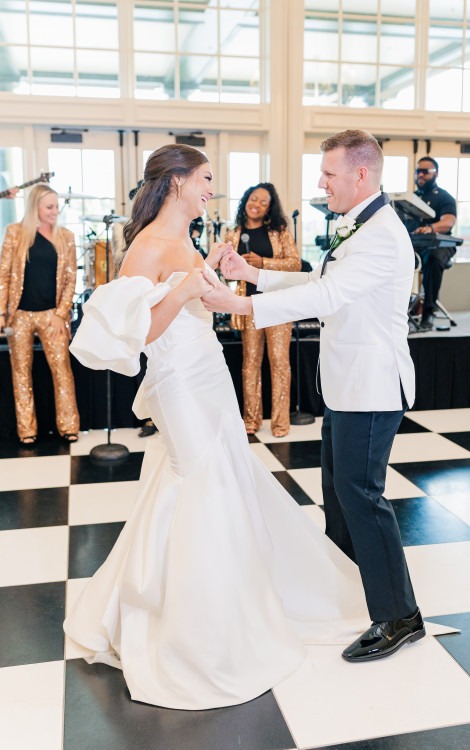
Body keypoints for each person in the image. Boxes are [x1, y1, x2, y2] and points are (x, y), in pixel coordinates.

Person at [64, 143, 373, 711]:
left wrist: (223, 279)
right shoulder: (147, 246)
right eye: (205, 177)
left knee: (221, 476)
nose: (212, 186)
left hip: (207, 371)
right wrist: (185, 290)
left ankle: (229, 604)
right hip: (179, 381)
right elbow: (140, 334)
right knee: (199, 478)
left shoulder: (187, 238)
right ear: (176, 180)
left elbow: (203, 305)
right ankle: (196, 634)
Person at [202, 129, 425, 663]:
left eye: (328, 174)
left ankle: (399, 616)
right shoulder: (358, 225)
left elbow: (326, 295)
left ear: (361, 175)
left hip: (372, 387)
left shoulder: (382, 234)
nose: (320, 184)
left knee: (361, 495)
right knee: (337, 491)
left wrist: (241, 305)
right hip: (347, 383)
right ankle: (349, 585)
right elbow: (318, 275)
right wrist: (251, 274)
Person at [0, 184, 79, 445]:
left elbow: (70, 279)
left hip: (51, 315)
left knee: (62, 371)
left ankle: (69, 427)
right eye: (49, 207)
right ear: (35, 207)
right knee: (21, 374)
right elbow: (3, 275)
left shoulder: (66, 237)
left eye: (56, 206)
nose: (55, 211)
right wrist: (1, 313)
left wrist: (61, 313)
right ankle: (27, 431)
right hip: (20, 315)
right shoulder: (14, 233)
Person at [226, 183, 300, 437]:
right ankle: (251, 420)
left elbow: (295, 264)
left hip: (278, 305)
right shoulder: (233, 234)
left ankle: (280, 424)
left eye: (263, 202)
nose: (256, 204)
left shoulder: (279, 233)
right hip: (249, 305)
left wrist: (263, 263)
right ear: (245, 200)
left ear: (270, 209)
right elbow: (226, 272)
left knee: (279, 364)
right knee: (250, 365)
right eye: (252, 199)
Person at [412, 157, 457, 330]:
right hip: (415, 245)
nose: (421, 175)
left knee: (433, 258)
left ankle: (428, 311)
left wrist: (431, 228)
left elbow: (448, 222)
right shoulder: (412, 198)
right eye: (418, 171)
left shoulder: (445, 197)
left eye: (425, 171)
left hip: (440, 245)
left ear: (436, 174)